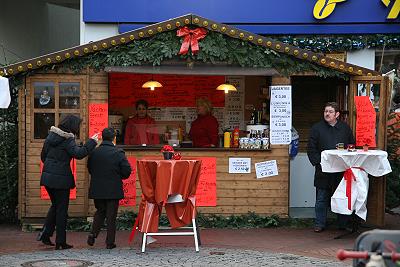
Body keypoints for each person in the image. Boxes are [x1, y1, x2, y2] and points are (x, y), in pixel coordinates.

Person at [37, 114, 98, 250]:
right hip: (61, 180)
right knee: (61, 210)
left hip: (47, 178)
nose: (79, 128)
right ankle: (60, 242)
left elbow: (43, 157)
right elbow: (79, 154)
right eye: (78, 125)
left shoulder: (50, 137)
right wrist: (92, 142)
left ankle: (46, 234)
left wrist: (52, 167)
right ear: (72, 125)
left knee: (56, 206)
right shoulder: (67, 139)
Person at [307, 102, 355, 233]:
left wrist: (349, 162)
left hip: (341, 170)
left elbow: (352, 146)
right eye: (325, 111)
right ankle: (319, 223)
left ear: (337, 114)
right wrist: (319, 163)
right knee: (321, 197)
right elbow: (311, 148)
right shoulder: (317, 128)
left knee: (342, 197)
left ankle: (343, 223)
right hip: (324, 169)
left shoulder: (345, 128)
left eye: (330, 111)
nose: (327, 114)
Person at [87, 127, 132, 249]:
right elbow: (127, 170)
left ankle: (93, 234)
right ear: (114, 138)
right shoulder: (118, 153)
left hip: (97, 188)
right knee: (111, 216)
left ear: (102, 137)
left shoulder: (94, 152)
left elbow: (90, 168)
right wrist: (120, 176)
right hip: (113, 189)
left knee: (100, 212)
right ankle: (109, 242)